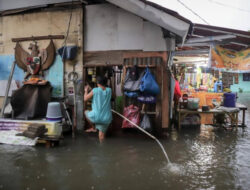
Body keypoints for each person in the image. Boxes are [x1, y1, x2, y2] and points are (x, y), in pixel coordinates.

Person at [84, 76, 112, 142]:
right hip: (106, 118)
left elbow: (85, 99)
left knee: (85, 112)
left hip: (95, 117)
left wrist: (86, 91)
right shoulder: (109, 90)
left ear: (98, 83)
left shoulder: (95, 90)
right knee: (101, 137)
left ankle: (93, 127)